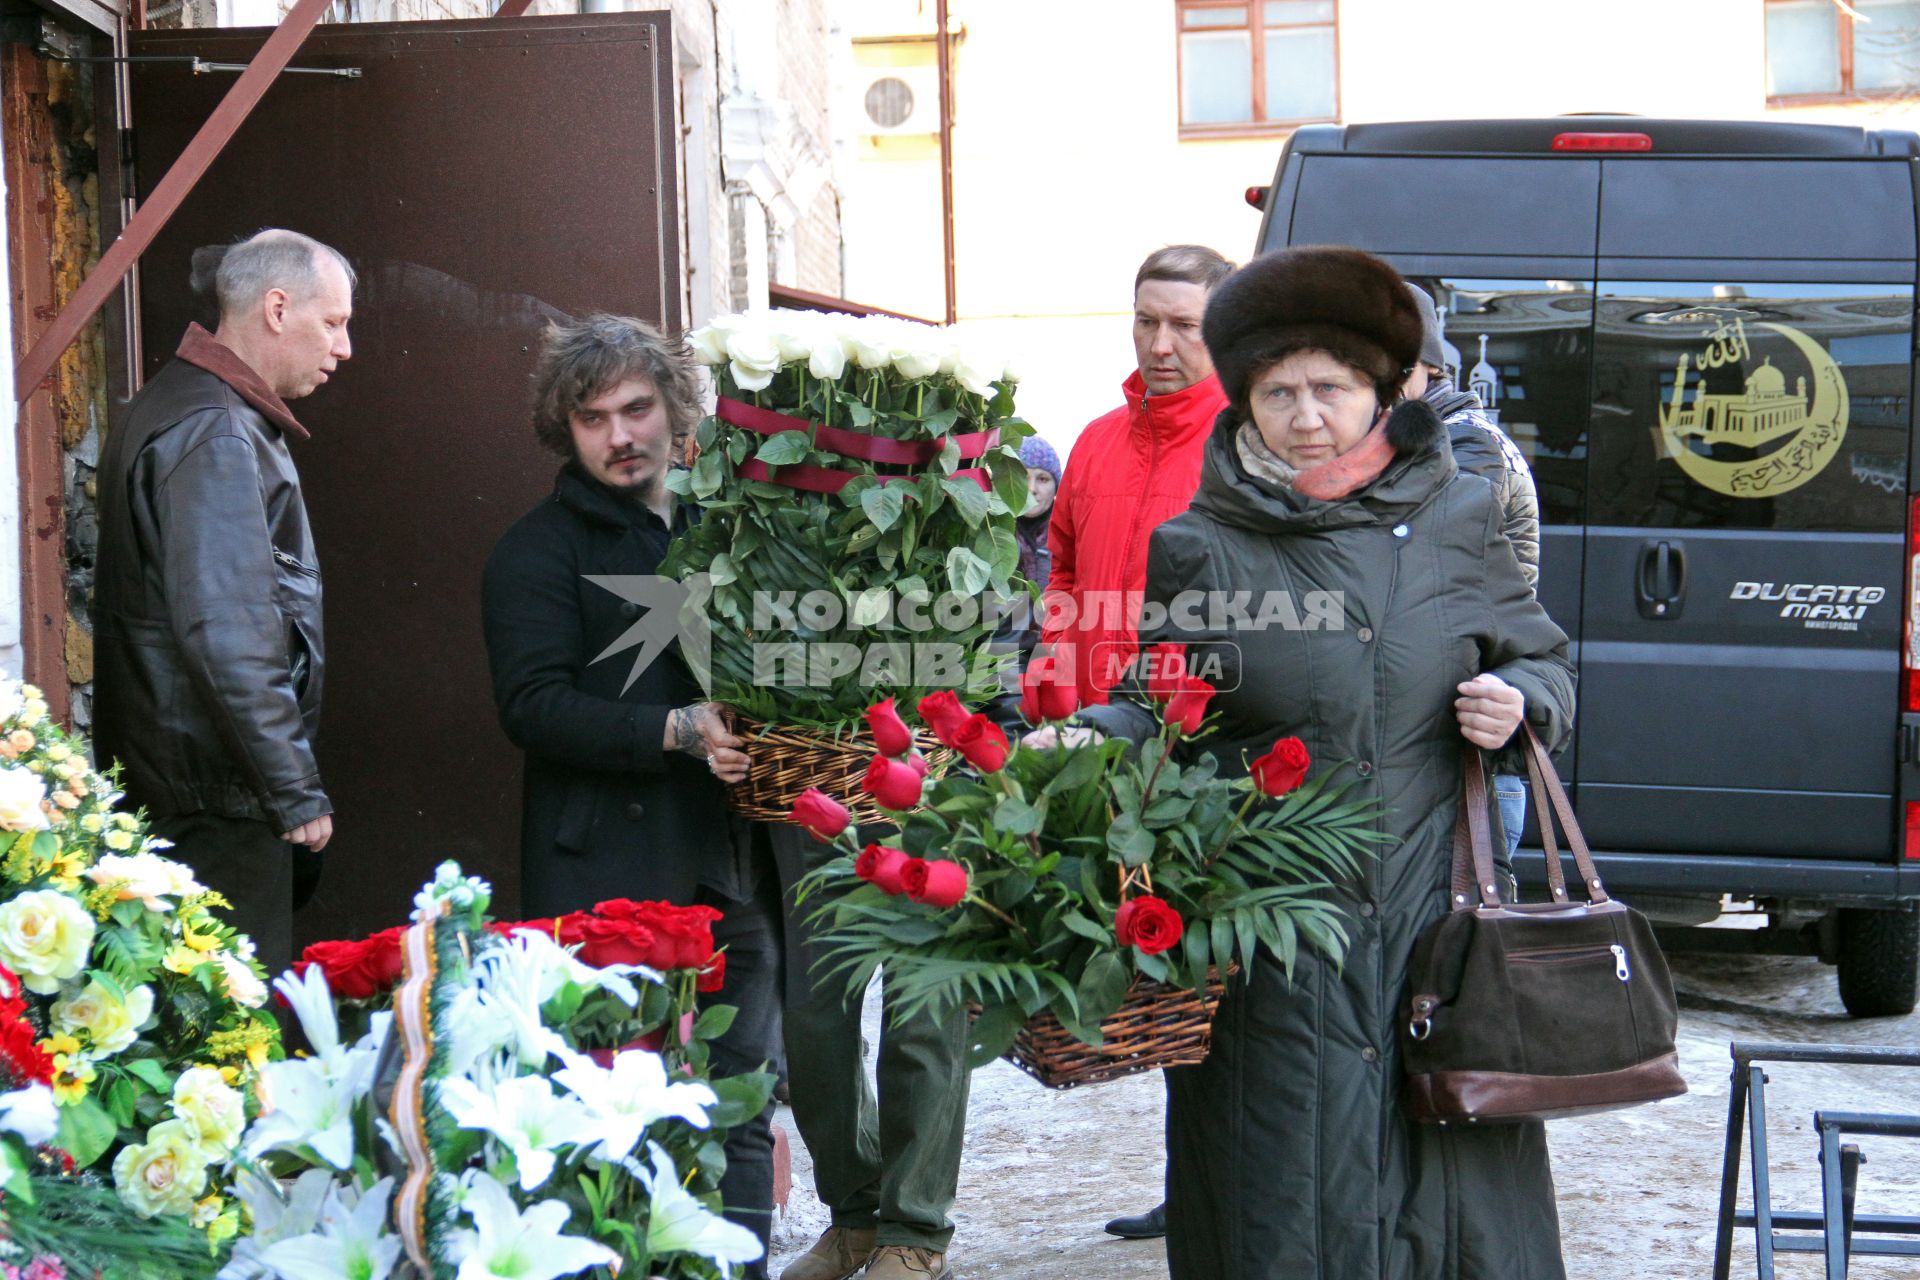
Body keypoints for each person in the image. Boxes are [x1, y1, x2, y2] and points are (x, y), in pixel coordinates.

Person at [1077, 246, 1576, 1278]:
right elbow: (1162, 705)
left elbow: (1542, 656)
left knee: (1442, 1221)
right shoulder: (1202, 544)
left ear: (1385, 393)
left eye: (1332, 389)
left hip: (1434, 940)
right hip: (1273, 948)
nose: (1307, 416)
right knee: (1283, 1211)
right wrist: (1080, 743)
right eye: (1279, 392)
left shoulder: (1459, 518)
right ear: (1246, 399)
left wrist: (1522, 699)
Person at [479, 314, 782, 1275]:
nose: (620, 436)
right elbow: (533, 708)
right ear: (563, 433)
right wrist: (676, 733)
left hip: (733, 869)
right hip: (609, 878)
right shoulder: (532, 554)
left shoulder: (720, 527)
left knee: (739, 1103)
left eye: (637, 408)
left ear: (674, 407)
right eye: (593, 418)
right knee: (618, 1119)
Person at [94, 229, 353, 980]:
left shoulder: (175, 403)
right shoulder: (215, 428)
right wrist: (294, 791)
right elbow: (227, 631)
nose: (343, 348)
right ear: (277, 308)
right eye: (332, 322)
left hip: (182, 795)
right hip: (214, 806)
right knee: (227, 1056)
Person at [1042, 245, 1233, 710]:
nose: (1160, 345)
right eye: (1147, 322)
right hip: (1088, 716)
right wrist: (1059, 645)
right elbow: (1062, 567)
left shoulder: (1248, 444)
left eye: (1185, 326)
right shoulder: (1095, 439)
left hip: (1190, 728)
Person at [1404, 285, 1542, 866]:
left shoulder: (1464, 448)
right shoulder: (1458, 436)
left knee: (1467, 944)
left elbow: (1425, 587)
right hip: (1461, 746)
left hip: (1467, 755)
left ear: (1431, 367)